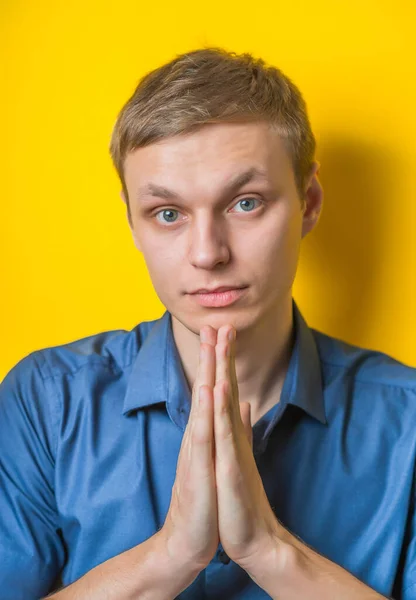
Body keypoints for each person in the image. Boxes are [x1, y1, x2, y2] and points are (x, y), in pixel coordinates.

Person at [0, 47, 415, 600]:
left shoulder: (408, 421)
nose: (207, 253)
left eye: (245, 203)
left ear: (308, 201)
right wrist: (169, 556)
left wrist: (271, 552)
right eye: (168, 214)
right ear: (132, 219)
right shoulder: (45, 404)